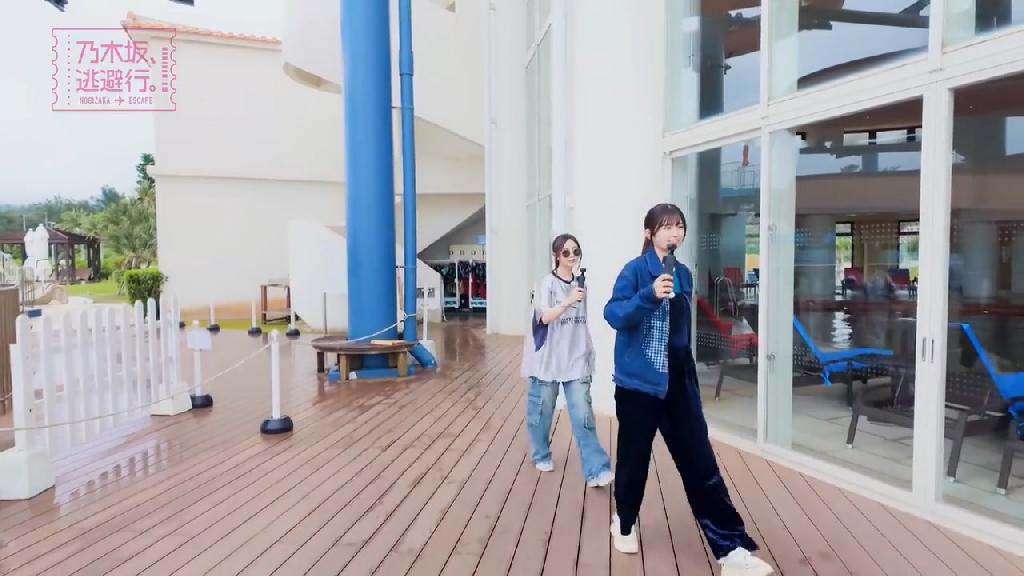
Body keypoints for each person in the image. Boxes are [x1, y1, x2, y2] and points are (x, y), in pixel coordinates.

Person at [603, 204, 773, 576]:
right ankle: (624, 522)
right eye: (666, 227)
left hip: (679, 382)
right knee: (633, 461)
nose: (674, 233)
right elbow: (613, 315)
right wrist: (648, 295)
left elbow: (681, 333)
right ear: (649, 233)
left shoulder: (682, 273)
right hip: (639, 385)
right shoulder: (635, 271)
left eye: (679, 226)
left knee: (701, 464)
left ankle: (731, 549)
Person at [521, 233, 614, 488]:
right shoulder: (546, 284)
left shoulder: (582, 285)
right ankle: (540, 453)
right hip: (548, 358)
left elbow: (580, 322)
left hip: (576, 358)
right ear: (556, 256)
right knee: (541, 411)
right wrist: (569, 300)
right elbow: (543, 317)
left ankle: (596, 469)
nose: (572, 256)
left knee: (583, 414)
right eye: (566, 252)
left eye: (575, 251)